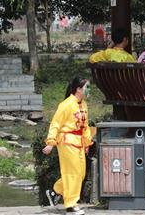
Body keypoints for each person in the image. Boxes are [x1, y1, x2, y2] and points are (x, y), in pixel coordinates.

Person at [43, 77, 93, 215]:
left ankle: (55, 191)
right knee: (73, 173)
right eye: (87, 87)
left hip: (79, 142)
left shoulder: (84, 105)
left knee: (80, 174)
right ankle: (70, 205)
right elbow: (55, 124)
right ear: (78, 89)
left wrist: (87, 142)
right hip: (67, 141)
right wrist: (51, 142)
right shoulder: (66, 105)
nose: (89, 90)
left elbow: (85, 126)